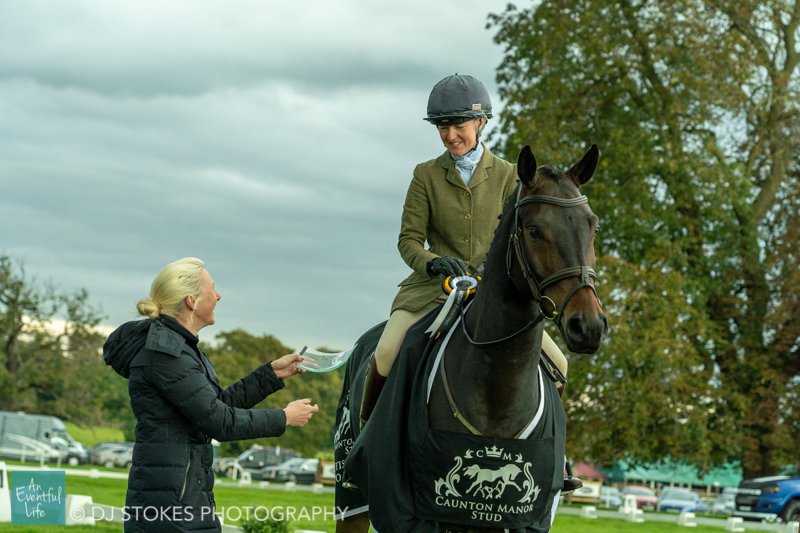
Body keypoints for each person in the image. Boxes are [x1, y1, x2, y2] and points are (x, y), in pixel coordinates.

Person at [359, 73, 570, 426]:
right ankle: (366, 439)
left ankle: (552, 453)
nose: (450, 135)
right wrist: (434, 262)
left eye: (458, 125)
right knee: (386, 351)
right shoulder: (424, 175)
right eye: (442, 126)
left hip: (493, 294)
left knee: (559, 366)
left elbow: (514, 242)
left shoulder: (509, 177)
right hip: (431, 292)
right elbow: (408, 241)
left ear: (481, 121)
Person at [103, 257, 319, 532]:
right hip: (171, 512)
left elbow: (214, 407)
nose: (218, 295)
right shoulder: (167, 355)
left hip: (184, 501)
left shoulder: (180, 348)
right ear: (192, 301)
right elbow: (219, 421)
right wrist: (284, 417)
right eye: (212, 288)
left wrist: (270, 375)